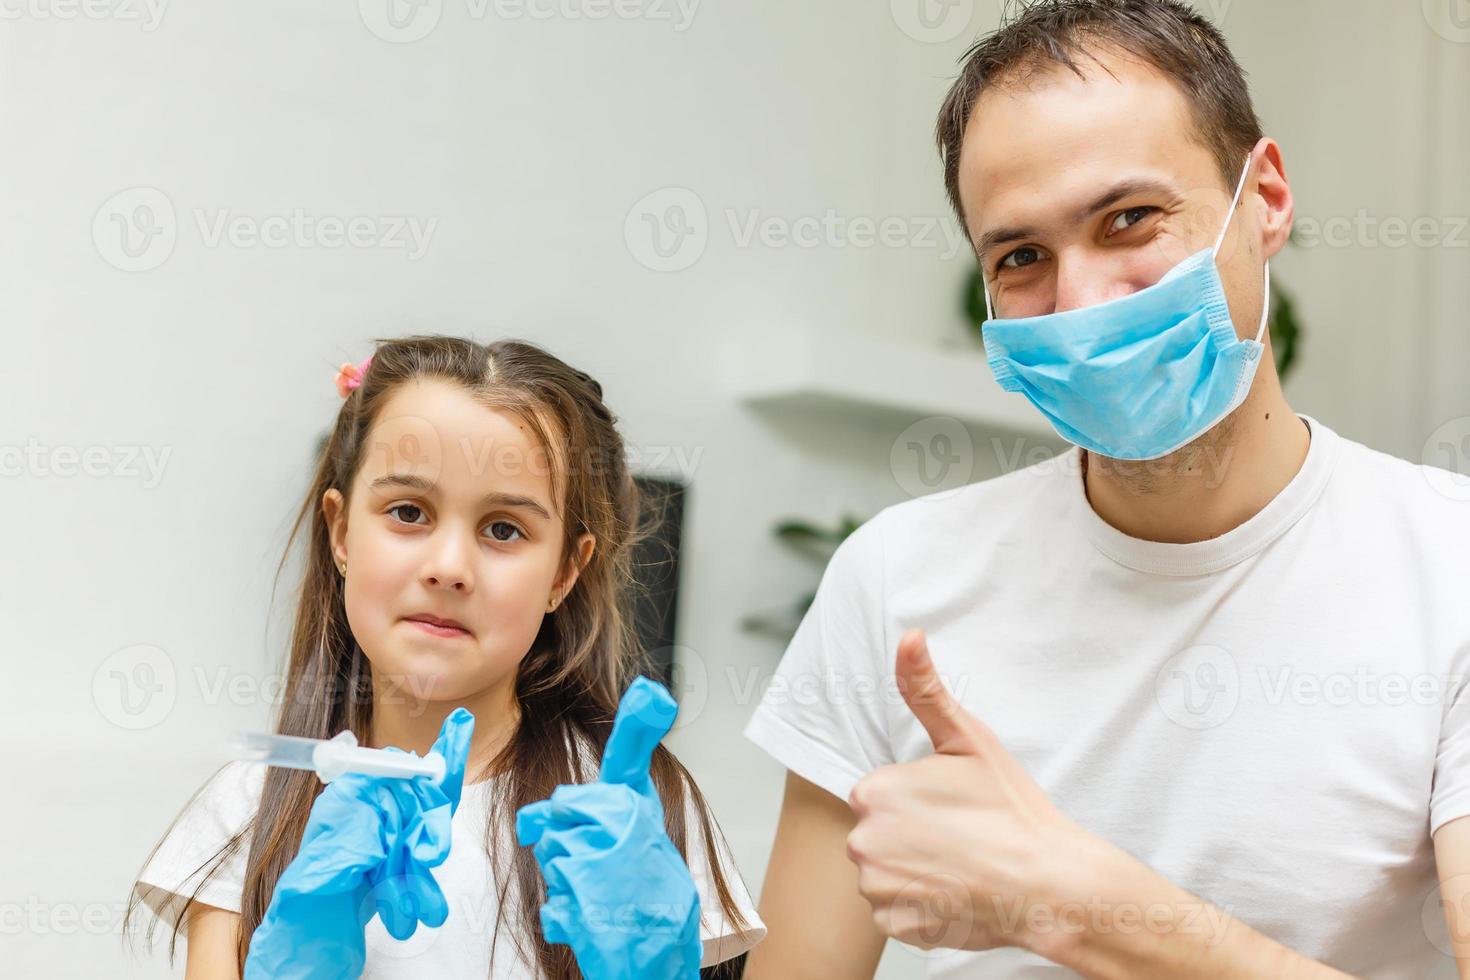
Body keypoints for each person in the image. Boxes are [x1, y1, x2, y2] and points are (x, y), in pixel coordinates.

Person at [742, 2, 1470, 977]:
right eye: (1022, 257)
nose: (1081, 302)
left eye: (1129, 219)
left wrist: (1071, 902)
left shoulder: (1448, 566)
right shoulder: (893, 576)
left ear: (1266, 199)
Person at [126, 335, 764, 978]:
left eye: (504, 529)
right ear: (342, 532)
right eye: (408, 512)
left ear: (565, 572)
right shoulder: (255, 808)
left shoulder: (633, 820)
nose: (449, 567)